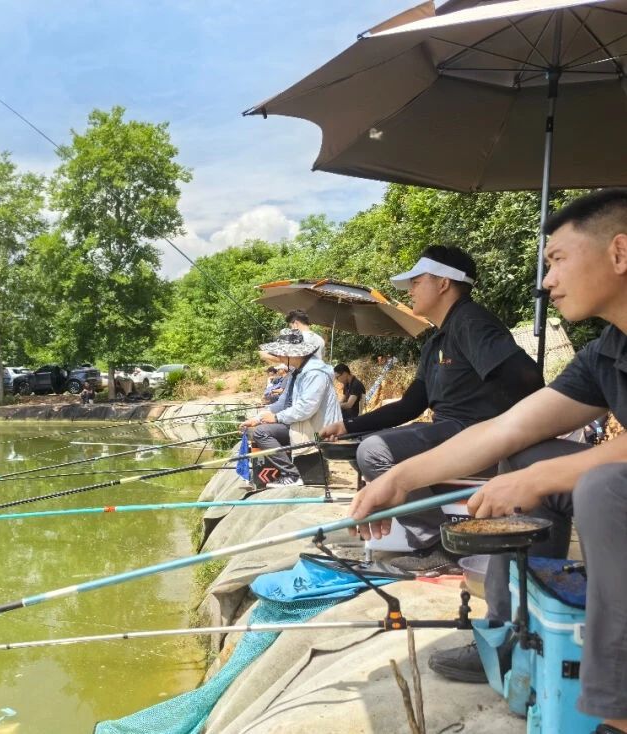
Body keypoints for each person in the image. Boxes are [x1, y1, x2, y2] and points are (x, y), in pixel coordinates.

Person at [349, 189, 627, 733]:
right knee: (525, 453)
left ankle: (615, 713)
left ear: (619, 252)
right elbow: (508, 427)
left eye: (557, 260)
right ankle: (512, 630)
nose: (546, 282)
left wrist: (542, 475)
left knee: (602, 486)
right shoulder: (605, 351)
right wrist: (397, 480)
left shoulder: (473, 323)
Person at [321, 245, 543, 570]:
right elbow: (411, 404)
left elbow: (528, 378)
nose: (409, 290)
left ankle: (441, 545)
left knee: (373, 452)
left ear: (443, 283)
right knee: (363, 445)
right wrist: (349, 426)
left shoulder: (472, 322)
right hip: (447, 431)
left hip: (475, 434)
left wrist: (505, 433)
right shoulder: (435, 342)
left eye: (416, 281)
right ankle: (432, 534)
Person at [239, 328, 342, 487]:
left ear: (292, 354)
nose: (279, 357)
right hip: (301, 422)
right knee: (259, 428)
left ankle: (292, 475)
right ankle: (290, 472)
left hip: (319, 429)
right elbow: (282, 403)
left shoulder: (314, 373)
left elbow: (306, 408)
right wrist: (257, 418)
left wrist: (276, 418)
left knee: (261, 433)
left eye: (281, 353)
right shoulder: (297, 372)